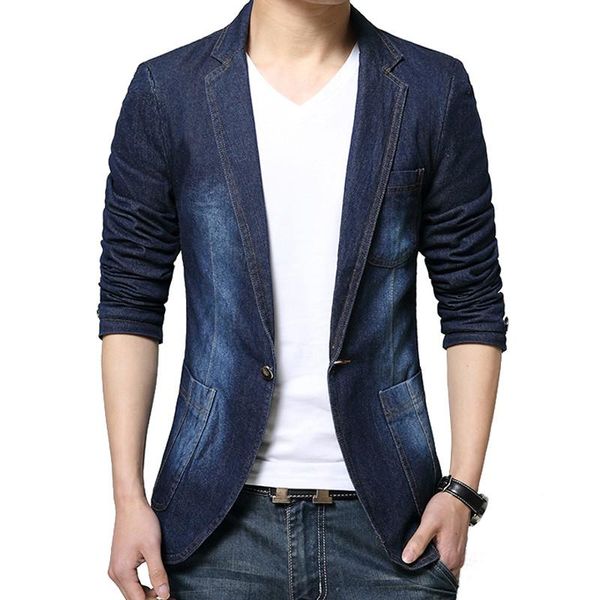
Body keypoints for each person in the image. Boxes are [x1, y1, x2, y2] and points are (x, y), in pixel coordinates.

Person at [98, 0, 508, 598]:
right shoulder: (169, 92)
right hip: (212, 530)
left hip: (394, 529)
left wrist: (462, 491)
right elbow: (131, 302)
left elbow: (472, 299)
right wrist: (128, 498)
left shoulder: (431, 89)